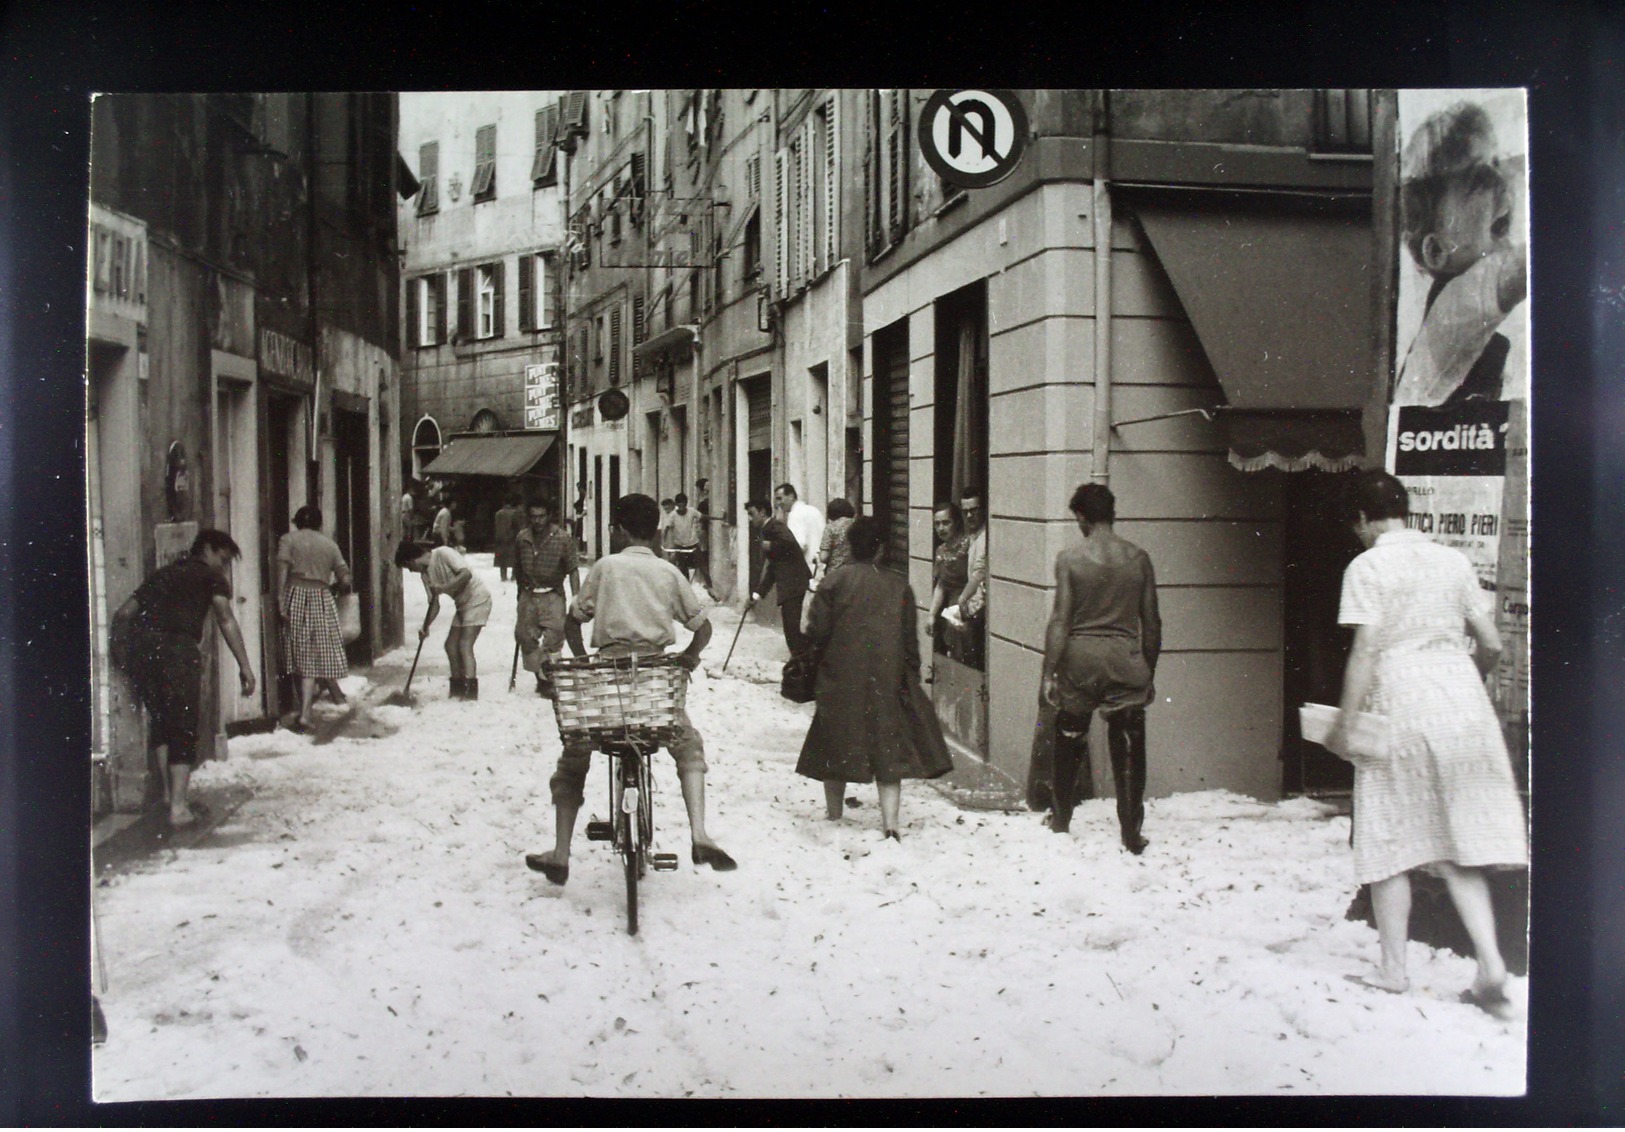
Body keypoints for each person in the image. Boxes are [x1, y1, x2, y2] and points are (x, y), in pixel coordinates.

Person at [1326, 470, 1526, 1017]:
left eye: (1356, 523)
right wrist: (1465, 678)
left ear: (1364, 519)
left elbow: (1366, 650)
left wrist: (1345, 721)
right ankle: (1490, 962)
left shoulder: (1367, 566)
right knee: (1456, 838)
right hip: (1461, 695)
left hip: (1402, 695)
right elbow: (1491, 644)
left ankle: (1393, 969)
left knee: (1388, 834)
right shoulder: (1453, 561)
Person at [525, 493, 736, 884]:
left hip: (608, 681)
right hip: (654, 681)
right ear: (656, 531)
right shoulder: (669, 572)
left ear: (619, 530)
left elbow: (574, 622)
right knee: (687, 745)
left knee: (575, 755)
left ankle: (559, 852)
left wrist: (584, 661)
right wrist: (688, 657)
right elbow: (702, 629)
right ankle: (700, 834)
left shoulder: (605, 568)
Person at [797, 516, 952, 839]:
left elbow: (816, 632)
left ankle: (834, 814)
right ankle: (891, 825)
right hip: (886, 677)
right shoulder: (899, 586)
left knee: (834, 743)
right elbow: (910, 640)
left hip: (839, 675)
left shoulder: (833, 582)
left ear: (851, 546)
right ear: (881, 548)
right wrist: (909, 672)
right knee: (887, 749)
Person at [1040, 483, 1161, 855]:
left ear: (1081, 516)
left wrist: (1050, 671)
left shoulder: (1070, 559)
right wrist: (1148, 671)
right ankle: (1130, 831)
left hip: (1080, 660)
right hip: (1125, 659)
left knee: (1069, 734)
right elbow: (1152, 623)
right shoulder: (1138, 559)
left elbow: (1060, 621)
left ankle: (1060, 819)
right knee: (1128, 743)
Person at [110, 530, 257, 826]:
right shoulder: (210, 576)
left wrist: (121, 656)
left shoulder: (165, 574)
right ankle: (178, 809)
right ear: (208, 549)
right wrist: (245, 665)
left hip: (146, 652)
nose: (224, 567)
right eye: (223, 559)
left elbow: (124, 614)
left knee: (162, 722)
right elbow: (226, 619)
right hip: (178, 651)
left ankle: (169, 796)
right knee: (184, 725)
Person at [1393, 101, 1528, 408]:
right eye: (1478, 179)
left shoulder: (1474, 322)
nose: (1500, 180)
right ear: (1438, 251)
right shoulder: (1453, 303)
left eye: (1495, 164)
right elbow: (1519, 268)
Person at [275, 505, 352, 733]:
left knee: (299, 652)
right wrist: (335, 586)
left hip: (295, 593)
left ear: (297, 522)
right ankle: (305, 711)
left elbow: (282, 569)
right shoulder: (330, 544)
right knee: (314, 653)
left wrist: (280, 598)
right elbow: (345, 578)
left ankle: (305, 712)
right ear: (319, 523)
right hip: (322, 596)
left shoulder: (288, 539)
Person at [396, 539, 492, 700]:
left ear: (412, 560)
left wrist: (444, 588)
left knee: (464, 645)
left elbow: (466, 574)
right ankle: (457, 689)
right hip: (462, 605)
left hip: (478, 599)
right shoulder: (425, 575)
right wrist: (425, 627)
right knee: (450, 645)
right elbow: (434, 605)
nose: (411, 571)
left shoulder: (443, 553)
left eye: (408, 567)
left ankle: (470, 693)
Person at [514, 496, 583, 696]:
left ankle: (550, 681)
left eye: (541, 516)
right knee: (526, 638)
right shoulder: (522, 537)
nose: (537, 521)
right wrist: (520, 594)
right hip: (528, 594)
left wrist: (575, 597)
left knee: (554, 638)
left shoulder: (562, 538)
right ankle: (540, 678)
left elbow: (573, 569)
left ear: (549, 516)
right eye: (533, 517)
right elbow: (518, 567)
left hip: (552, 594)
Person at [746, 497, 813, 659]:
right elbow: (773, 569)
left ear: (762, 512)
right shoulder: (767, 529)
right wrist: (757, 595)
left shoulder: (774, 526)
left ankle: (804, 662)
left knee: (791, 629)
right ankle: (804, 660)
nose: (749, 518)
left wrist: (771, 545)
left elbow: (790, 543)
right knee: (791, 630)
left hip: (794, 582)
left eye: (751, 514)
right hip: (790, 583)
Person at [949, 486, 989, 668]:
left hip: (979, 611)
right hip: (970, 610)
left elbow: (979, 572)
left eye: (974, 510)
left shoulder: (985, 537)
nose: (970, 516)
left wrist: (963, 597)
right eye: (966, 512)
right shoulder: (970, 537)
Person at [926, 501, 971, 658]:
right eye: (937, 524)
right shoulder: (941, 551)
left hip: (968, 606)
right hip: (950, 609)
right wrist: (931, 615)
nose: (941, 528)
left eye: (946, 523)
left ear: (956, 523)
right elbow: (941, 585)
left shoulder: (969, 545)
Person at [774, 483, 825, 576]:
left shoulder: (795, 514)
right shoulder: (814, 510)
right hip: (820, 567)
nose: (778, 503)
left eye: (779, 498)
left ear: (791, 496)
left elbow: (798, 545)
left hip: (806, 570)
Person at [664, 492, 703, 580]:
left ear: (686, 503)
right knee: (682, 567)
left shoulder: (692, 511)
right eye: (679, 505)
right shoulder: (672, 515)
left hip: (692, 542)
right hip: (679, 544)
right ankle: (686, 585)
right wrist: (664, 541)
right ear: (676, 504)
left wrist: (719, 518)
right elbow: (666, 529)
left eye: (683, 504)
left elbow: (703, 516)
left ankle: (710, 586)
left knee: (701, 565)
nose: (682, 507)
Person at [817, 497, 857, 578]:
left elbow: (823, 557)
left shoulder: (831, 527)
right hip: (855, 572)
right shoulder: (857, 525)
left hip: (835, 573)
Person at [492, 494, 521, 583]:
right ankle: (513, 576)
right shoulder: (514, 513)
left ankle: (503, 576)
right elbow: (516, 526)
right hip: (511, 538)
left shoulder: (498, 513)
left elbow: (496, 526)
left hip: (500, 538)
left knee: (501, 557)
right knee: (514, 557)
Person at [693, 478, 714, 590]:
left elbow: (700, 521)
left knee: (704, 555)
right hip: (708, 531)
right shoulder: (709, 503)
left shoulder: (702, 504)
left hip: (705, 532)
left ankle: (706, 580)